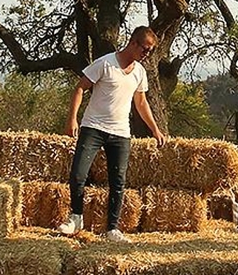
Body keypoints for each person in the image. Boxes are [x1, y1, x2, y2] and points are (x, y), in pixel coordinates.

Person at [57, 27, 167, 242]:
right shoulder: (105, 63)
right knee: (78, 174)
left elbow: (141, 102)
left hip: (120, 133)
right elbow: (80, 88)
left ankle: (112, 229)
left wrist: (155, 129)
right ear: (133, 43)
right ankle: (76, 217)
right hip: (93, 127)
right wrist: (72, 119)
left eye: (150, 51)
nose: (147, 54)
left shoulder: (139, 72)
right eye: (145, 49)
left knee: (118, 181)